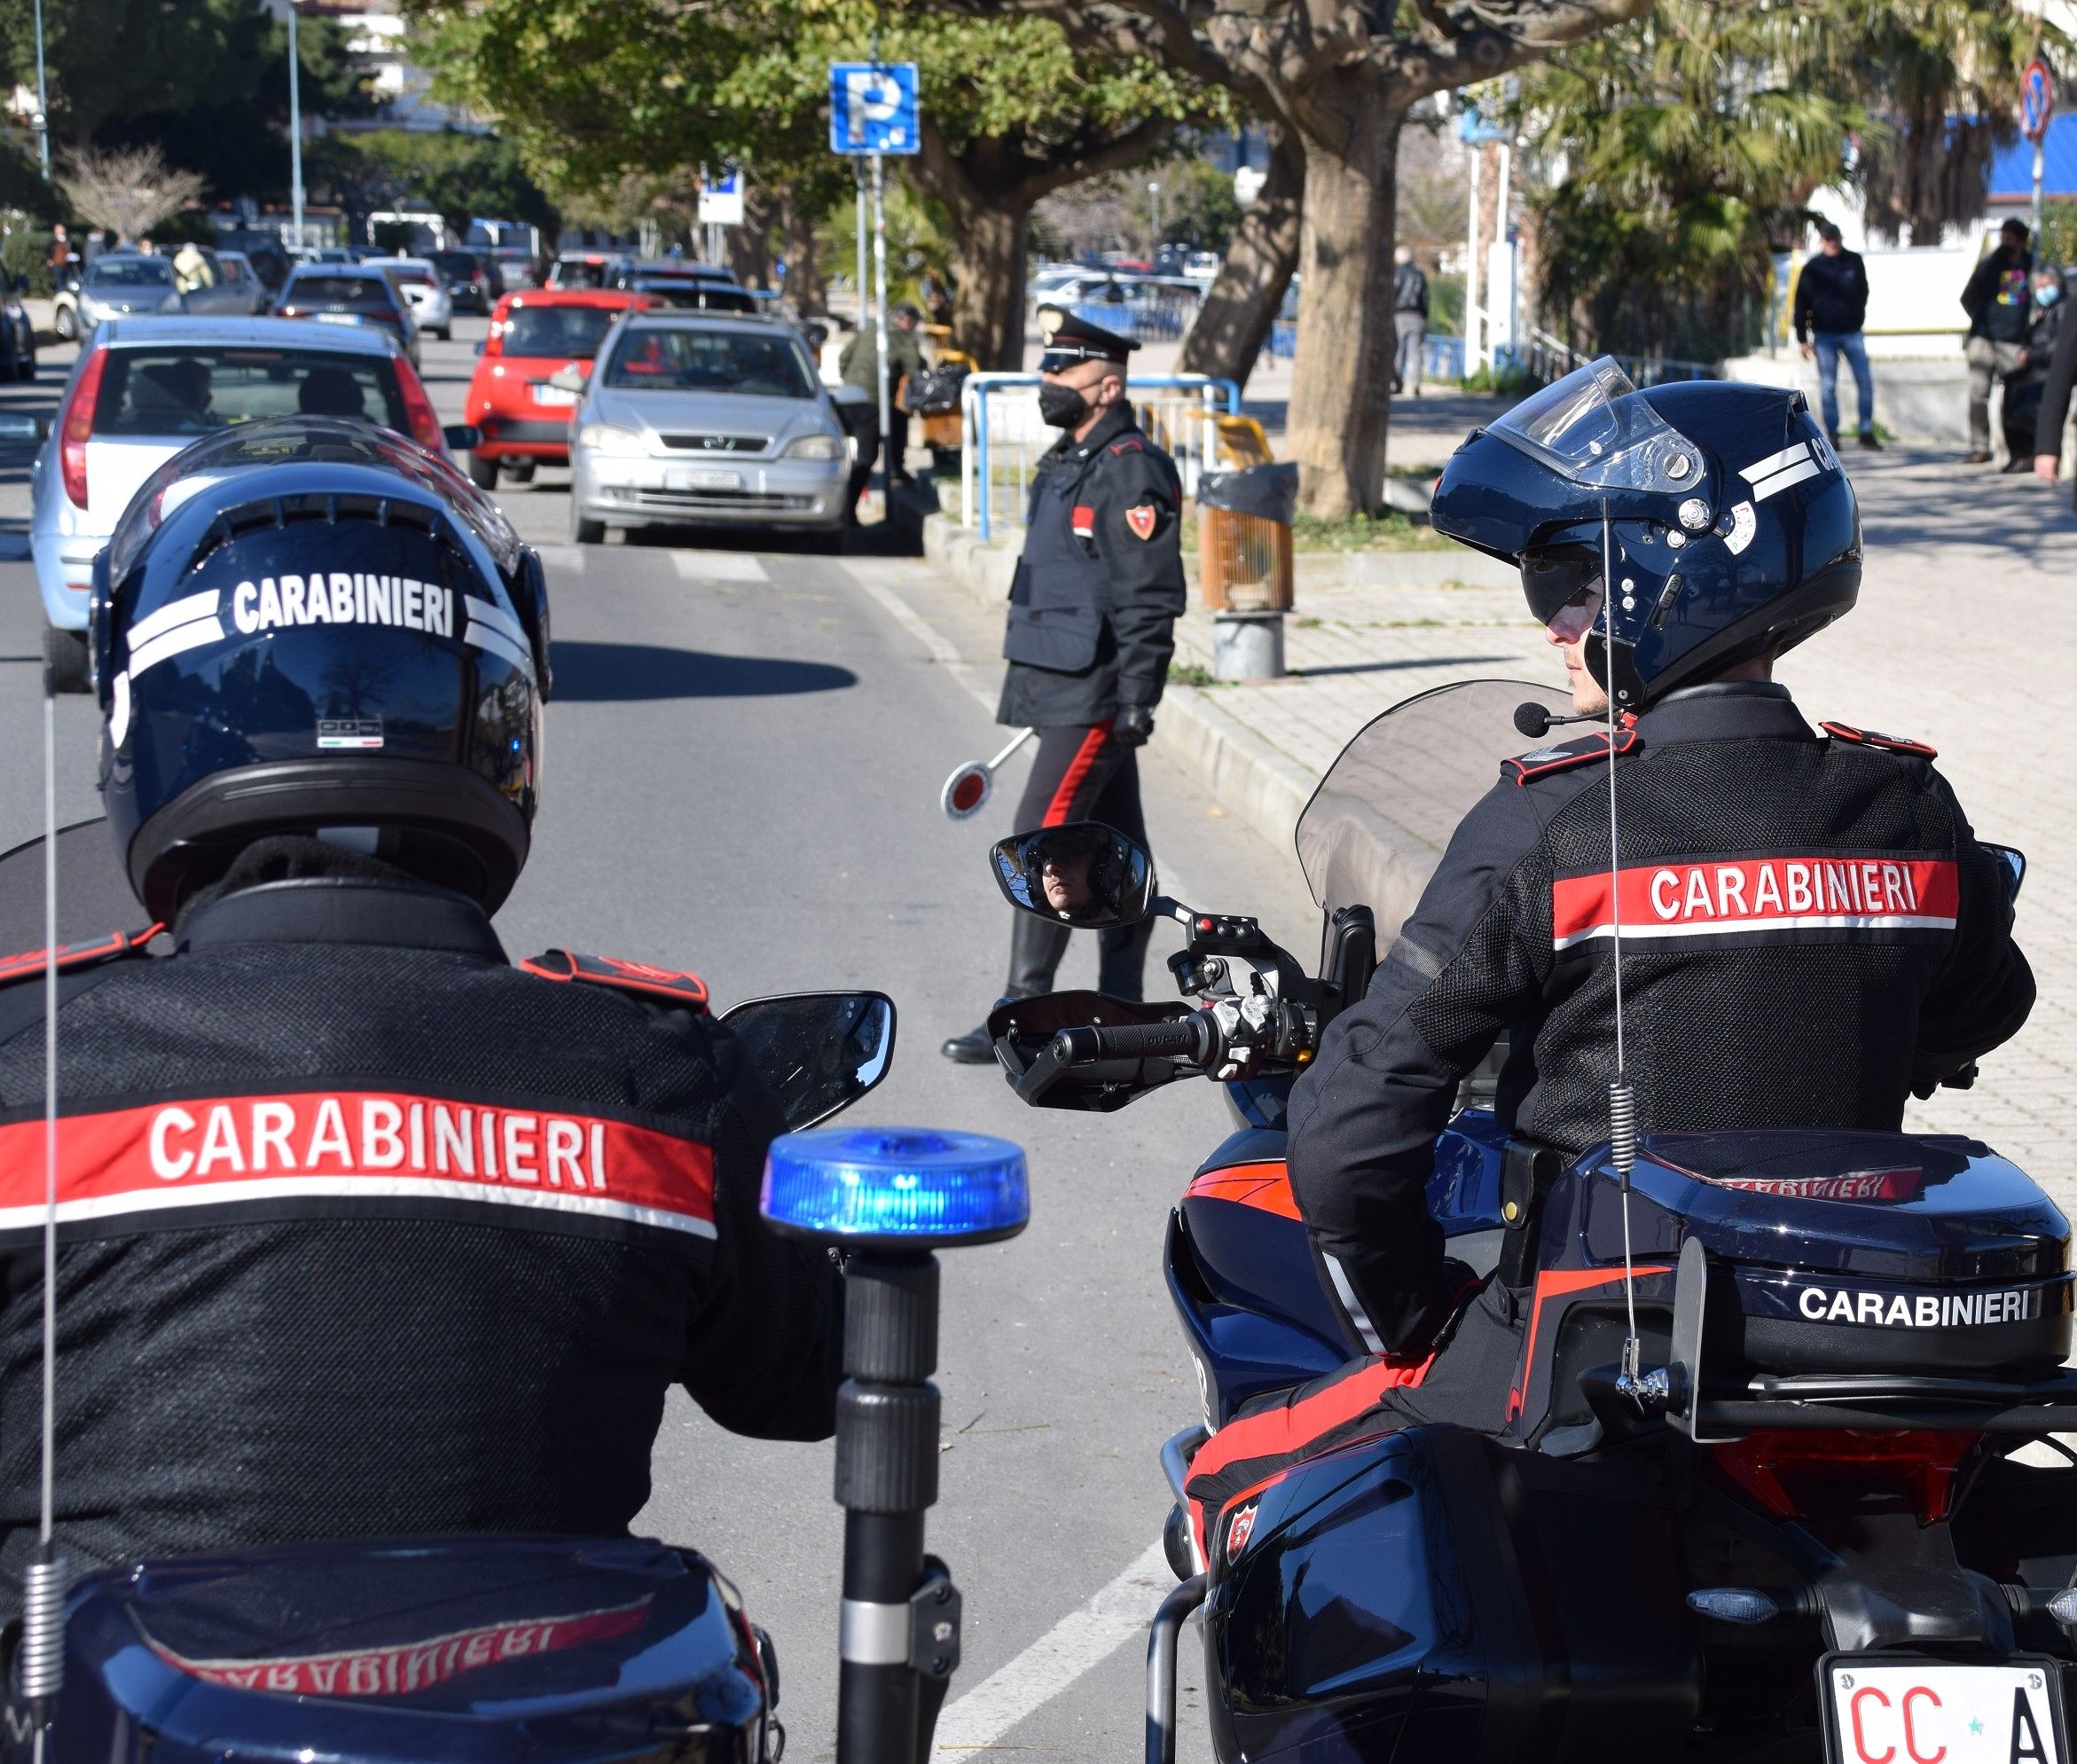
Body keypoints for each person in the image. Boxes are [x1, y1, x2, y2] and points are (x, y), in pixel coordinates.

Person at [0, 415, 843, 1605]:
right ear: (497, 712)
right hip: (542, 1720)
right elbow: (807, 1386)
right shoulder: (656, 1080)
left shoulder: (28, 1070)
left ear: (149, 717)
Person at [1185, 361, 2033, 1537]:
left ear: (1667, 576)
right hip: (1844, 1337)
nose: (1551, 621)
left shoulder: (1553, 819)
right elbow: (1986, 1009)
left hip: (1592, 1353)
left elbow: (1348, 1123)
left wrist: (1420, 1316)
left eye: (1574, 581)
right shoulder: (1905, 806)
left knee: (1226, 1483)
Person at [940, 312, 1187, 1063]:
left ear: (1107, 384)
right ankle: (1124, 1014)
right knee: (1122, 852)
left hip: (1096, 693)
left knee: (1040, 840)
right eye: (1046, 369)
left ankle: (1022, 1013)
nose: (1047, 381)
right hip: (1058, 682)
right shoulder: (1068, 458)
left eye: (1063, 370)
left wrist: (1139, 695)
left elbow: (1149, 594)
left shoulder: (1130, 469)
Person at [1792, 220, 1879, 449]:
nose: (1833, 243)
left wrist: (1856, 315)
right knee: (1828, 386)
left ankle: (1866, 431)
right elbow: (1801, 304)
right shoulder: (1812, 268)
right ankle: (1833, 434)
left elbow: (1864, 292)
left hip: (1852, 333)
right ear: (1822, 241)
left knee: (1865, 381)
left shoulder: (1854, 261)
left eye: (1836, 238)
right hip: (1824, 336)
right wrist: (1802, 339)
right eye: (1828, 239)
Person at [1961, 218, 2034, 464]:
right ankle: (1980, 447)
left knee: (2016, 398)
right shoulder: (1989, 265)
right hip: (1983, 340)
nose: (2004, 241)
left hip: (2014, 344)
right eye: (2002, 236)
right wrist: (1982, 322)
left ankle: (2019, 450)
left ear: (2021, 240)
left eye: (2009, 237)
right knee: (1977, 395)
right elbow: (1967, 297)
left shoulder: (2031, 266)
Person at [839, 302, 926, 487]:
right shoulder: (904, 339)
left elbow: (844, 358)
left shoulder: (870, 330)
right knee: (867, 456)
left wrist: (850, 382)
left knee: (893, 423)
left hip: (846, 396)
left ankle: (894, 471)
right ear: (907, 321)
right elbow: (915, 370)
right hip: (871, 402)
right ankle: (849, 502)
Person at [2003, 263, 2067, 473]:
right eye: (2039, 287)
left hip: (2049, 370)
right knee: (2011, 383)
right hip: (2035, 369)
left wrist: (2030, 355)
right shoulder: (2044, 312)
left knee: (2026, 396)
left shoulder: (2065, 310)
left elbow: (2058, 348)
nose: (2043, 292)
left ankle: (2031, 451)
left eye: (2046, 286)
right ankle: (2021, 453)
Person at [1391, 247, 1429, 397]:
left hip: (1399, 315)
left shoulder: (1397, 273)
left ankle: (1397, 383)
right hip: (1417, 315)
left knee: (1398, 350)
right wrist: (1424, 314)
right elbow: (1425, 297)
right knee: (1416, 352)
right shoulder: (1419, 275)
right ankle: (1414, 384)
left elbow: (1393, 293)